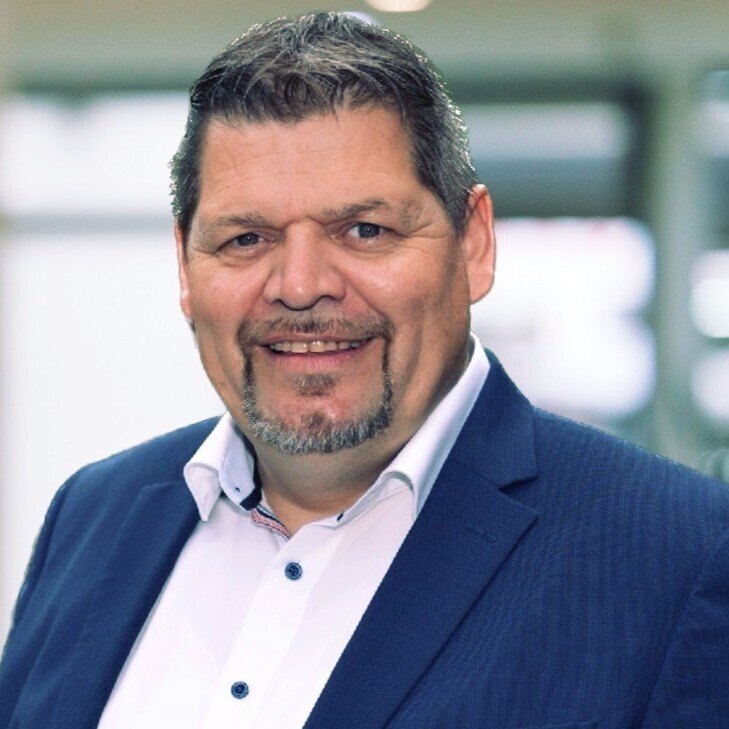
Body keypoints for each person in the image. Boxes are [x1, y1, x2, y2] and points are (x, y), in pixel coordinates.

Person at [1, 12, 728, 729]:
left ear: (473, 245)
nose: (299, 285)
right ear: (185, 267)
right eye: (246, 238)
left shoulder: (678, 554)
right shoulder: (93, 517)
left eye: (364, 230)